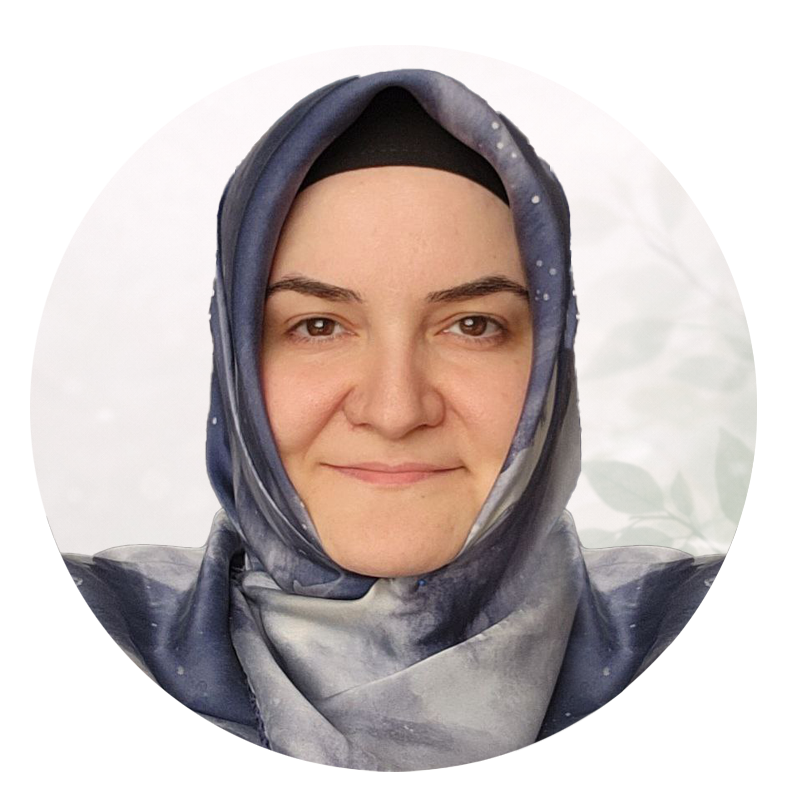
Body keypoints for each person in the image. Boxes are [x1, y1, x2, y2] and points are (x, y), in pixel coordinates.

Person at [62, 69, 724, 771]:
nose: (394, 410)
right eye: (318, 326)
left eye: (472, 325)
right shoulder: (70, 635)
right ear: (234, 360)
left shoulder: (716, 638)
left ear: (551, 360)